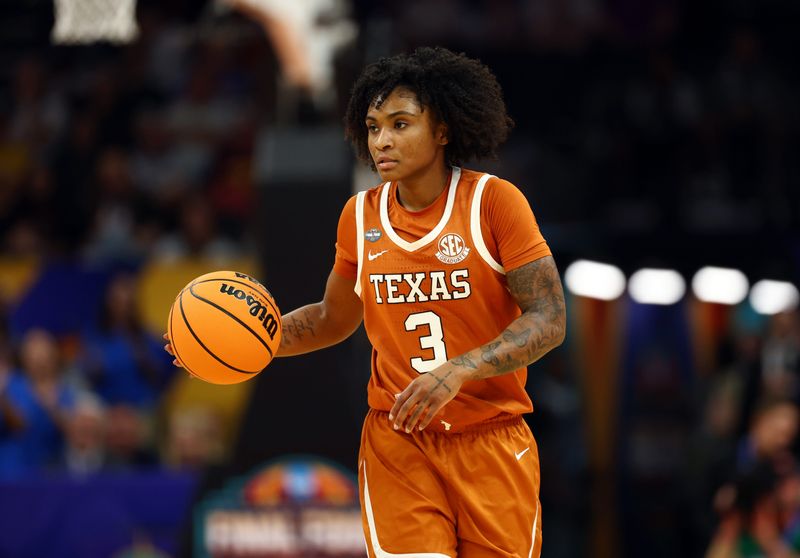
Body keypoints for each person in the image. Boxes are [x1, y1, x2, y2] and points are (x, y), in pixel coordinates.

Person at [166, 46, 566, 557]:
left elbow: (550, 319)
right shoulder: (360, 216)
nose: (382, 140)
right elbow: (333, 319)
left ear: (442, 130)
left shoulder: (494, 203)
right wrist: (250, 344)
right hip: (399, 444)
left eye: (401, 124)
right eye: (374, 126)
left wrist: (463, 368)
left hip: (490, 440)